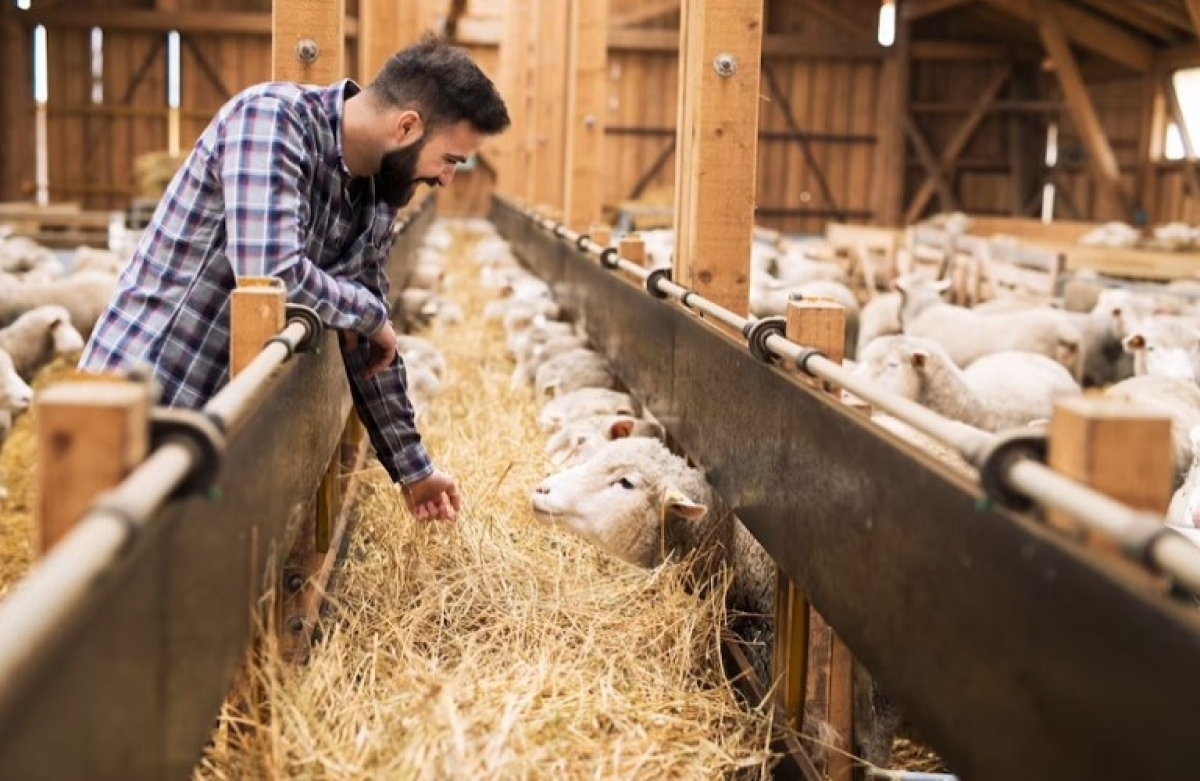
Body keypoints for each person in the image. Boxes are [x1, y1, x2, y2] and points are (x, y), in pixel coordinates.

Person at [77, 34, 511, 522]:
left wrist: (415, 470)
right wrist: (370, 316)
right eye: (451, 159)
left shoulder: (376, 197)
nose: (448, 179)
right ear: (407, 126)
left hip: (222, 423)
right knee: (96, 579)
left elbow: (370, 343)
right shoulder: (271, 121)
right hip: (143, 401)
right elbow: (270, 273)